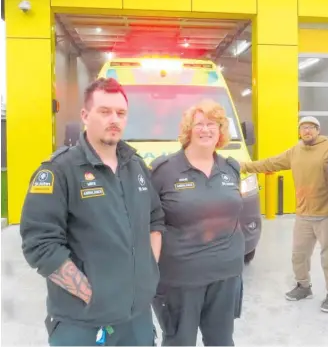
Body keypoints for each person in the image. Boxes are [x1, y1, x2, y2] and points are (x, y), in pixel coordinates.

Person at [20, 78, 165, 346]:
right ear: (85, 116)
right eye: (105, 111)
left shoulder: (136, 167)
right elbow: (40, 245)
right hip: (83, 325)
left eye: (120, 113)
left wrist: (147, 270)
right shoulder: (59, 171)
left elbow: (155, 219)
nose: (114, 119)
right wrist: (92, 295)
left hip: (137, 320)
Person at [150, 99, 244, 346]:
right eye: (199, 124)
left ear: (221, 130)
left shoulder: (230, 169)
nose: (206, 129)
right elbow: (149, 222)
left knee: (222, 341)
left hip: (226, 276)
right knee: (179, 342)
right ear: (188, 130)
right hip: (180, 280)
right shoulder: (164, 170)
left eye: (212, 124)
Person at [240, 116, 328, 313]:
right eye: (303, 127)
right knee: (298, 255)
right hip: (303, 215)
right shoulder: (295, 151)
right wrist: (243, 166)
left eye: (311, 127)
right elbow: (270, 163)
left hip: (327, 214)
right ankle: (303, 286)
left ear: (318, 130)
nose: (307, 131)